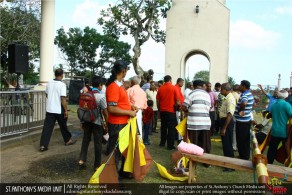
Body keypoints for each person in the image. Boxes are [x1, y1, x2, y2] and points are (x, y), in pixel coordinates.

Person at [106, 60, 137, 180]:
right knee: (115, 153)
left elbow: (120, 103)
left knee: (124, 150)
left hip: (123, 123)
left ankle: (122, 172)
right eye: (127, 70)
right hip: (117, 125)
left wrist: (130, 107)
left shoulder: (119, 85)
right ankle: (111, 178)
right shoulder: (113, 87)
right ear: (123, 71)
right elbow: (112, 108)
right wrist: (129, 112)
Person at [40, 68, 76, 152]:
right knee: (63, 125)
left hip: (50, 109)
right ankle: (67, 140)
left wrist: (52, 101)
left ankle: (43, 145)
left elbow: (47, 94)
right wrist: (66, 110)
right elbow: (63, 99)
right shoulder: (62, 85)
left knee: (47, 127)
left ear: (55, 74)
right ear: (62, 75)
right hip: (59, 109)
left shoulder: (49, 83)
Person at [78, 76, 108, 170]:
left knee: (86, 139)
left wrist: (82, 122)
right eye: (101, 85)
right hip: (97, 122)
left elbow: (83, 108)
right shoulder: (101, 96)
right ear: (99, 85)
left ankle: (82, 159)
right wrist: (107, 124)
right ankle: (97, 165)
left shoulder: (86, 93)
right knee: (97, 143)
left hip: (86, 120)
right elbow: (105, 112)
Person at [182, 80, 212, 167]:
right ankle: (206, 162)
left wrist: (188, 111)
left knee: (193, 143)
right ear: (201, 85)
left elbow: (184, 106)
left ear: (194, 86)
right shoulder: (207, 95)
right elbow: (209, 108)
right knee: (205, 143)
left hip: (194, 123)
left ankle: (192, 162)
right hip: (206, 123)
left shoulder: (191, 94)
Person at [268, 90, 292, 164]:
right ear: (286, 96)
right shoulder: (287, 105)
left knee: (272, 149)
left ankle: (269, 164)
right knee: (287, 148)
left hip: (274, 131)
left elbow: (271, 114)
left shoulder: (274, 105)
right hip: (284, 131)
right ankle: (289, 163)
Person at [156, 75, 180, 150]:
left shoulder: (160, 89)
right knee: (171, 129)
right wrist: (178, 106)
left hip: (163, 111)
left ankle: (162, 142)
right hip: (171, 111)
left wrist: (159, 109)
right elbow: (178, 101)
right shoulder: (174, 88)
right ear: (170, 80)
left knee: (163, 127)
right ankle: (170, 145)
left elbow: (158, 101)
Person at [234, 80, 254, 160]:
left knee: (241, 139)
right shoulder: (249, 93)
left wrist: (239, 111)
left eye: (240, 85)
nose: (239, 86)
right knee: (244, 139)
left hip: (242, 122)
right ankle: (244, 155)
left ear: (244, 86)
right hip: (246, 120)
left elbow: (244, 103)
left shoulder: (245, 95)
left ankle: (244, 156)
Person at [219, 83, 236, 172]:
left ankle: (230, 166)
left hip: (227, 122)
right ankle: (227, 163)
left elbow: (229, 114)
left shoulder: (230, 98)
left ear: (226, 89)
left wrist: (224, 128)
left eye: (221, 89)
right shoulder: (226, 97)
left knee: (228, 144)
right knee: (225, 144)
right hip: (225, 121)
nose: (220, 91)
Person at [231, 84, 240, 151]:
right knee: (234, 131)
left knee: (230, 130)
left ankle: (231, 144)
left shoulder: (230, 95)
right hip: (235, 114)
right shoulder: (238, 96)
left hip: (228, 114)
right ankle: (234, 146)